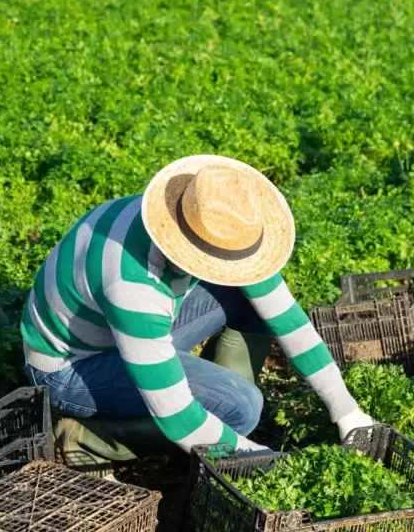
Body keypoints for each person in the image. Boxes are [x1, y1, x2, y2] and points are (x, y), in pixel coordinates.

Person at [20, 155, 374, 467]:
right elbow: (179, 420)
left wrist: (347, 412)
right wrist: (267, 463)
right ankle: (85, 439)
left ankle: (221, 413)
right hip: (72, 368)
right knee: (241, 408)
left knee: (249, 299)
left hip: (121, 331)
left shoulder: (193, 222)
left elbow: (287, 319)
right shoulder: (133, 287)